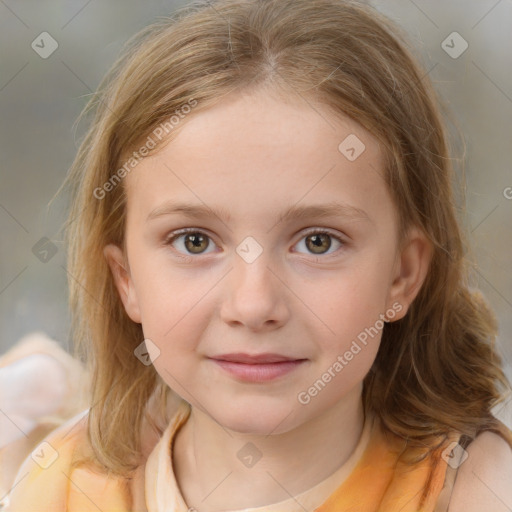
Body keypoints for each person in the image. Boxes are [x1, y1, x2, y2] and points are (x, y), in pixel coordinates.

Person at [4, 0, 512, 510]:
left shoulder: (475, 491)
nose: (252, 305)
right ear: (126, 279)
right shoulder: (59, 488)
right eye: (194, 241)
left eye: (318, 241)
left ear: (402, 275)